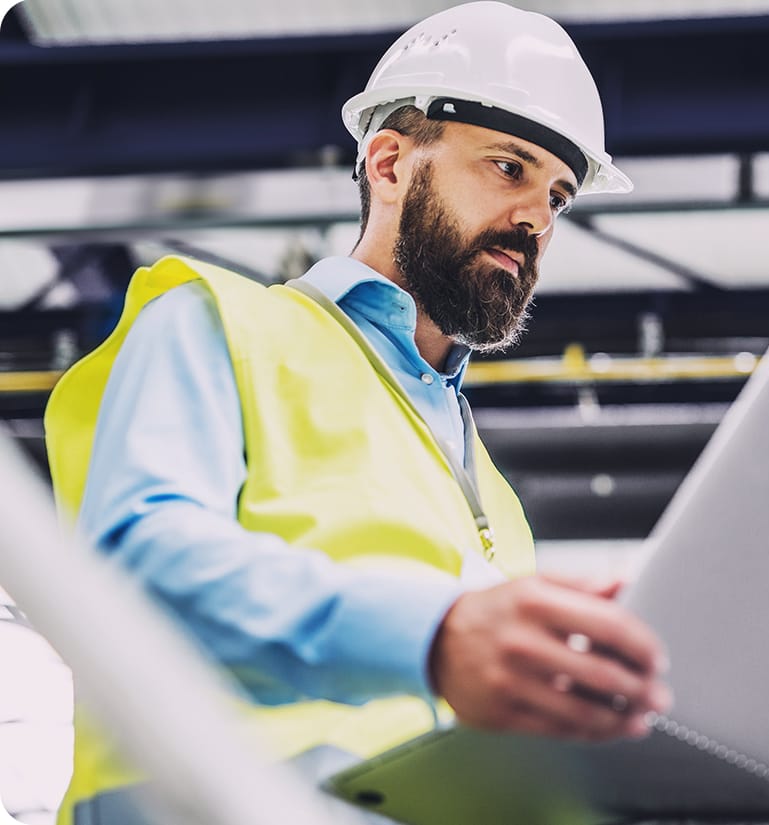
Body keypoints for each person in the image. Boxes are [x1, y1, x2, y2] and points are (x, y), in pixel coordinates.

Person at [42, 3, 672, 823]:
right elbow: (135, 571)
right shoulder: (219, 323)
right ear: (387, 163)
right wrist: (434, 637)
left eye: (559, 194)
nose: (537, 218)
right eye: (509, 167)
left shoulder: (491, 493)